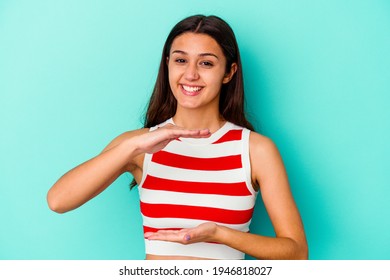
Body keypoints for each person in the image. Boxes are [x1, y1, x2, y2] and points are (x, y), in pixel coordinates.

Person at [47, 15, 308, 260]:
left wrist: (221, 234)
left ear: (229, 72)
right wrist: (134, 144)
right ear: (168, 64)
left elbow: (296, 252)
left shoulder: (255, 150)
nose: (191, 74)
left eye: (206, 63)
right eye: (181, 60)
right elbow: (58, 201)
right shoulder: (138, 145)